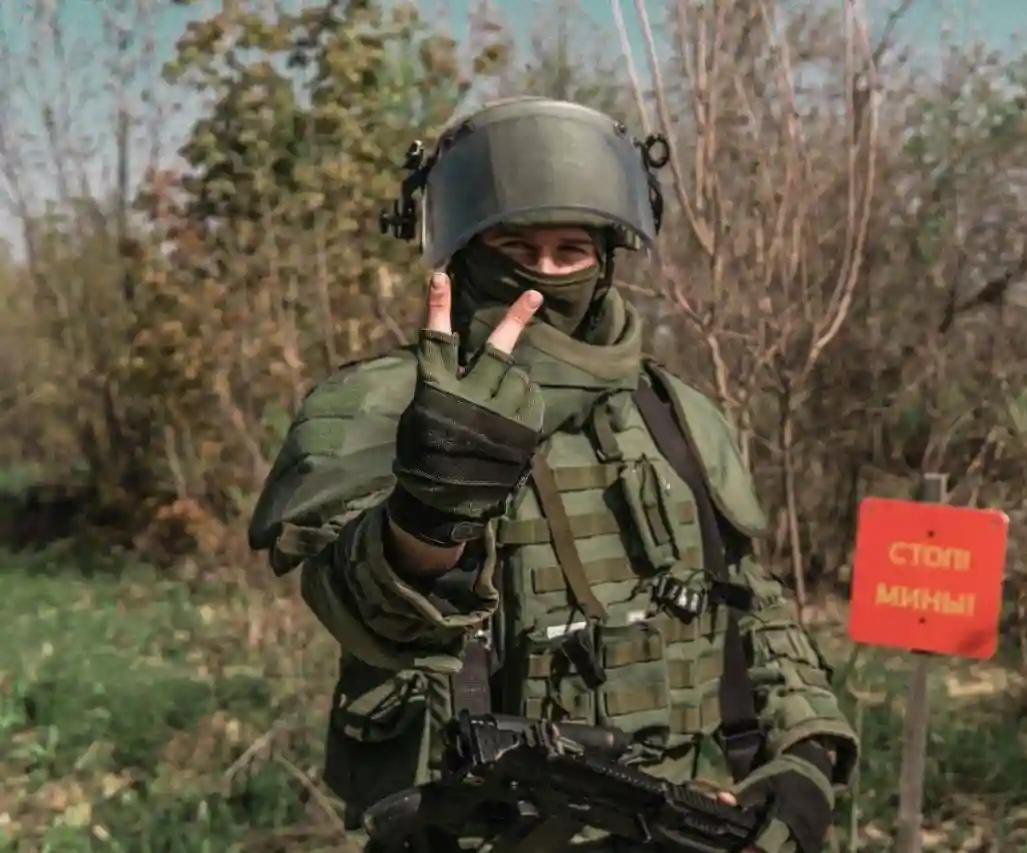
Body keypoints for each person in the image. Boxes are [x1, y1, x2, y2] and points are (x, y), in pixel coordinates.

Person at [248, 97, 857, 853]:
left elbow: (749, 602)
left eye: (570, 249)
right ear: (462, 251)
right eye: (513, 245)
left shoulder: (672, 411)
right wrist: (432, 511)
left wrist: (805, 757)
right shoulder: (389, 407)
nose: (541, 275)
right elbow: (360, 610)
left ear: (606, 260)